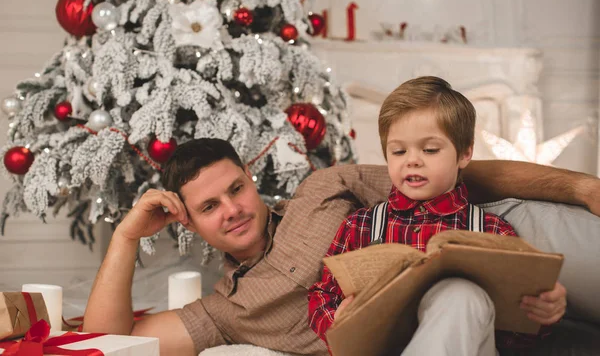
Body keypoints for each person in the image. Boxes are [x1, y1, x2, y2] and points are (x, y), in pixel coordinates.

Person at [83, 133, 600, 356]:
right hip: (463, 302)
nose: (233, 210)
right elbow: (106, 342)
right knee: (460, 300)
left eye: (236, 189)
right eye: (210, 207)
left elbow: (459, 176)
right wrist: (127, 234)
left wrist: (580, 187)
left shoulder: (323, 188)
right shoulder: (229, 311)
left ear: (250, 178)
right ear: (189, 223)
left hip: (510, 230)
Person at [307, 76, 566, 355]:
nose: (413, 160)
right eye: (398, 151)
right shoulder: (361, 225)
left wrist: (543, 312)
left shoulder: (492, 231)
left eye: (430, 149)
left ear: (465, 153)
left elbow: (516, 337)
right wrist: (337, 319)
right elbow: (322, 296)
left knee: (461, 295)